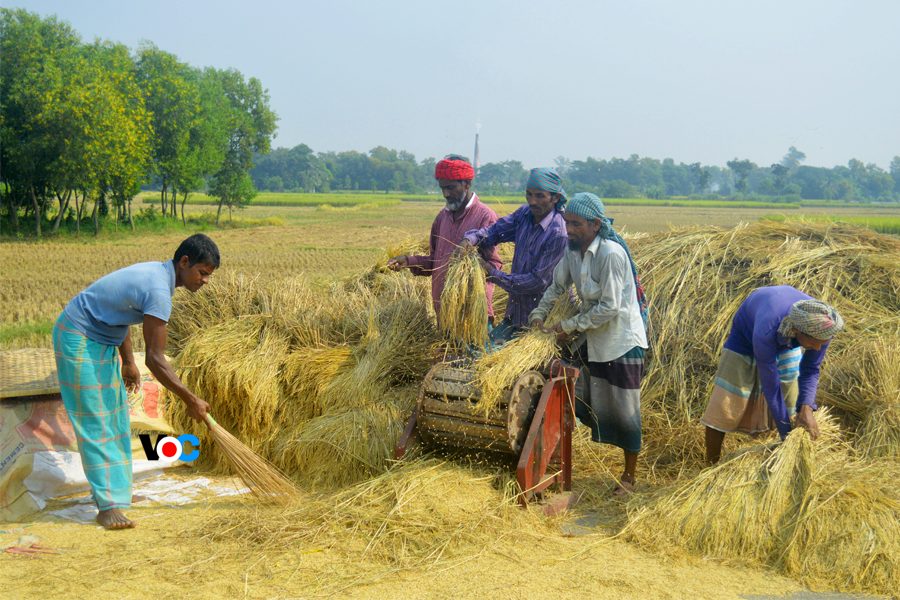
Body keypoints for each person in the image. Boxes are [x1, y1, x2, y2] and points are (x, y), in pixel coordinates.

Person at [52, 233, 219, 530]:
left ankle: (117, 496)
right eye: (202, 273)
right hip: (78, 336)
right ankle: (107, 507)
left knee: (116, 419)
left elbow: (120, 312)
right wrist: (189, 398)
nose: (205, 281)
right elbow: (155, 359)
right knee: (95, 422)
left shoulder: (158, 277)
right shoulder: (158, 289)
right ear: (184, 262)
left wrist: (128, 362)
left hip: (101, 339)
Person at [529, 192, 649, 495]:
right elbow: (557, 285)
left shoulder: (610, 254)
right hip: (591, 336)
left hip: (621, 341)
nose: (568, 229)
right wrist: (539, 315)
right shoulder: (572, 250)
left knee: (625, 410)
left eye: (576, 224)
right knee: (573, 391)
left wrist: (567, 327)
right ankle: (556, 461)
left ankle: (629, 479)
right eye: (567, 222)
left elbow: (610, 308)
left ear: (596, 224)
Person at [702, 286, 844, 464]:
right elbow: (771, 387)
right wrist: (788, 440)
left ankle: (775, 459)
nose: (817, 348)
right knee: (725, 405)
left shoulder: (822, 328)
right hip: (745, 340)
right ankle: (710, 465)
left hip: (786, 337)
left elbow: (811, 370)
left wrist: (807, 408)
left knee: (792, 404)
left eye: (821, 344)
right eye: (813, 344)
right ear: (797, 331)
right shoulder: (768, 330)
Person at [460, 168, 569, 346]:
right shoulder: (525, 214)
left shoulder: (558, 234)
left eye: (540, 196)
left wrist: (492, 274)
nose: (533, 201)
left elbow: (537, 282)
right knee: (480, 354)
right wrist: (470, 240)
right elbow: (495, 231)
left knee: (495, 363)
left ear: (555, 198)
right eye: (529, 194)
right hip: (515, 315)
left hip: (543, 322)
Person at [387, 156, 502, 321]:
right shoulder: (442, 217)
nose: (445, 194)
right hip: (443, 313)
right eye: (442, 188)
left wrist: (468, 263)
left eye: (450, 187)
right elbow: (436, 261)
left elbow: (493, 268)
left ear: (466, 184)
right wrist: (409, 261)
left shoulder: (485, 216)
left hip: (472, 315)